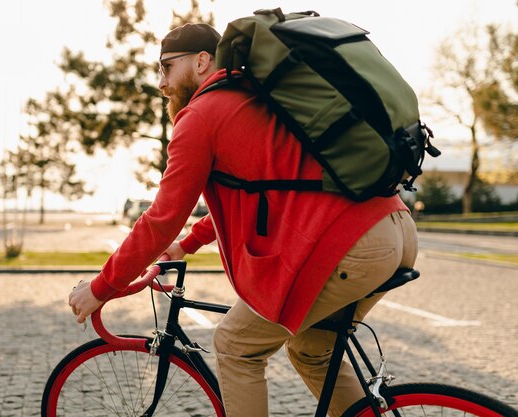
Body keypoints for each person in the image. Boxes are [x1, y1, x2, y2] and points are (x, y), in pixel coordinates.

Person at [69, 22, 418, 417]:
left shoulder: (201, 115)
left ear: (201, 61)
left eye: (165, 67)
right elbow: (259, 193)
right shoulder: (254, 96)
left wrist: (102, 287)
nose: (161, 83)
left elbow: (161, 218)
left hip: (349, 246)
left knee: (236, 348)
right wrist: (187, 244)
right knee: (311, 350)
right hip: (393, 228)